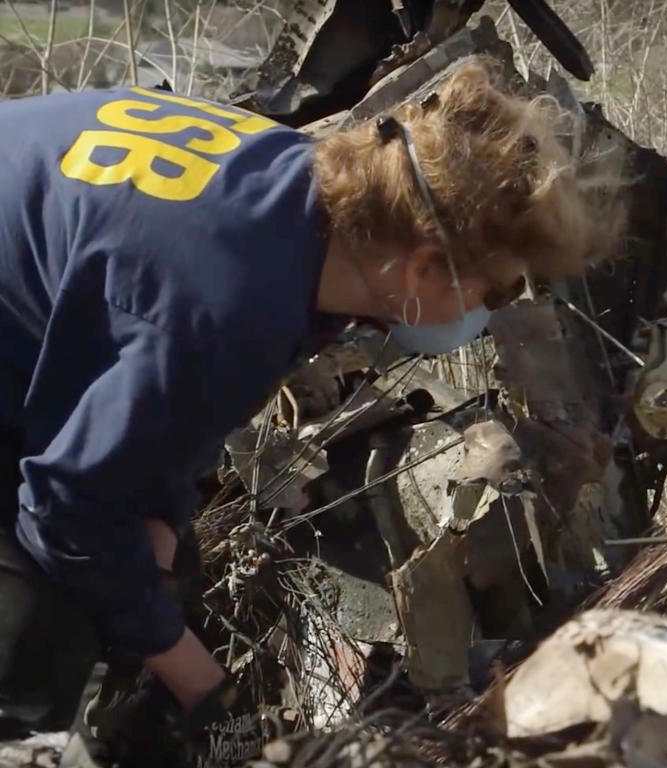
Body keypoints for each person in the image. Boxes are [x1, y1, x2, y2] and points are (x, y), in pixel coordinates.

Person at [0, 55, 626, 766]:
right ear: (424, 267)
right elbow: (64, 509)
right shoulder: (231, 300)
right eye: (495, 293)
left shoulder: (312, 204)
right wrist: (205, 691)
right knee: (37, 631)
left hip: (27, 316)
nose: (490, 315)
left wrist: (162, 540)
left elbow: (164, 413)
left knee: (156, 582)